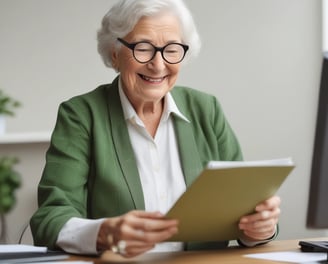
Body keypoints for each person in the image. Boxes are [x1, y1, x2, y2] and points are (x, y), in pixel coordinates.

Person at [30, 0, 281, 258]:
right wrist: (105, 232)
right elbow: (49, 218)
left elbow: (243, 207)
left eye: (171, 49)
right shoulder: (82, 115)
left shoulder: (207, 109)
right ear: (115, 54)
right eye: (143, 48)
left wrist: (258, 229)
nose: (158, 64)